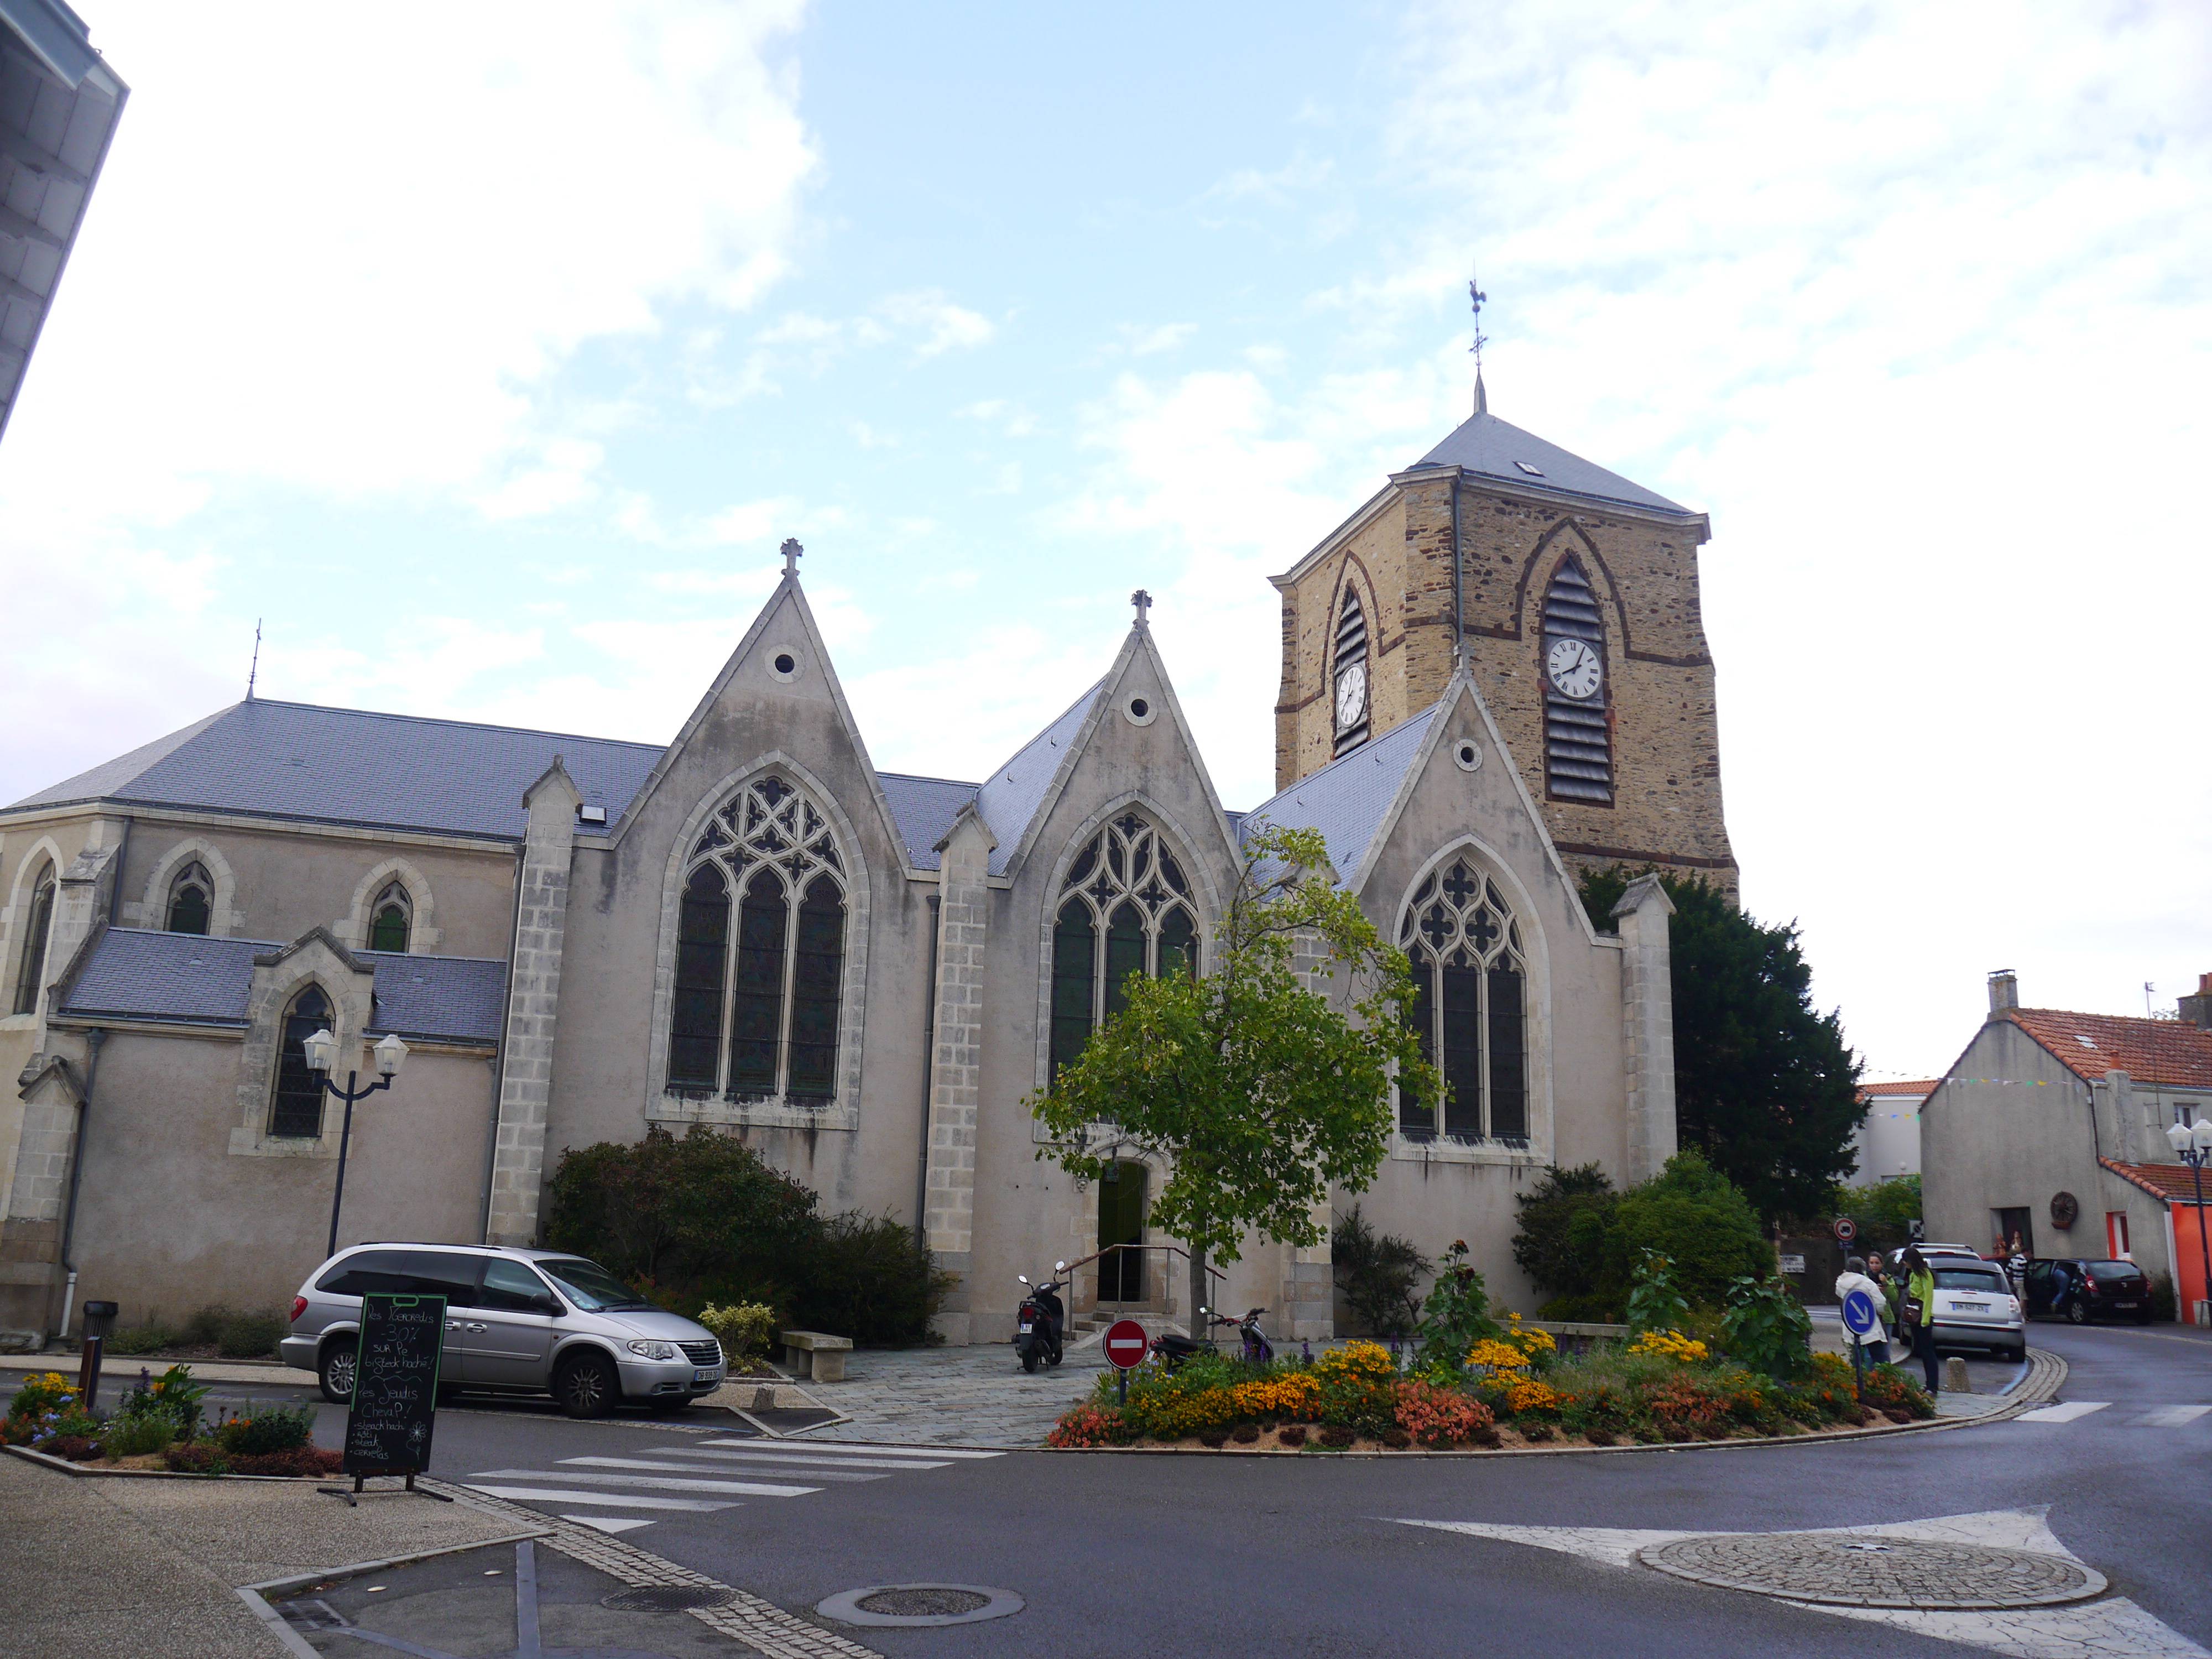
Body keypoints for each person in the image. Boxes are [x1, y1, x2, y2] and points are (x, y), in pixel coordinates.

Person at [1834, 1255, 1892, 1365]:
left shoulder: (1841, 1283)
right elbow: (1881, 1303)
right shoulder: (1868, 1283)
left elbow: (1839, 1294)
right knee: (1882, 1360)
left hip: (1852, 1326)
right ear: (1862, 1269)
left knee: (1857, 1360)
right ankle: (1882, 1381)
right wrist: (1879, 1312)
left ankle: (1859, 1380)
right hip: (1871, 1326)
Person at [1901, 1247, 1939, 1392]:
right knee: (1922, 1351)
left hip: (1924, 1317)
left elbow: (1928, 1297)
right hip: (1914, 1316)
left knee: (1928, 1352)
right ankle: (1928, 1384)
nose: (1904, 1264)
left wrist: (1925, 1319)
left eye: (1906, 1261)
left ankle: (1933, 1386)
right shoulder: (1913, 1275)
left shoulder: (1925, 1275)